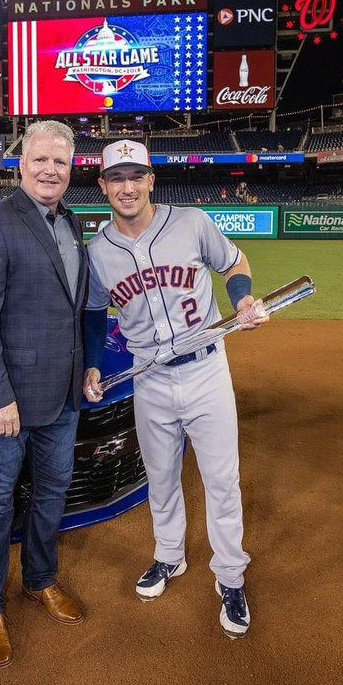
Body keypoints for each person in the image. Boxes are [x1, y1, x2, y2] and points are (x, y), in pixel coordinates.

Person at [81, 139, 268, 639]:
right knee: (160, 478)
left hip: (206, 370)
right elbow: (95, 313)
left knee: (221, 481)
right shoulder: (97, 253)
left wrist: (242, 299)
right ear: (103, 186)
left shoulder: (192, 222)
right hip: (149, 377)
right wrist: (93, 364)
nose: (126, 187)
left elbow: (235, 263)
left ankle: (230, 575)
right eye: (116, 178)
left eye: (135, 176)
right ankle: (169, 556)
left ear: (151, 180)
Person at [0, 119, 89, 669]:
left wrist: (85, 368)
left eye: (60, 162)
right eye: (40, 160)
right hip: (7, 400)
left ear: (71, 169)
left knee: (52, 493)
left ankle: (39, 579)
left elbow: (72, 312)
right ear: (20, 165)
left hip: (62, 395)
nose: (50, 170)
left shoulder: (71, 223)